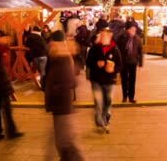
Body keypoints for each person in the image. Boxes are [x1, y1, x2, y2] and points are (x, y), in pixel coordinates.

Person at [45, 30, 85, 161]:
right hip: (59, 106)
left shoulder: (63, 58)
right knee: (63, 143)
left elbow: (71, 82)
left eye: (52, 43)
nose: (50, 46)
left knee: (65, 144)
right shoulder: (57, 57)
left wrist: (52, 88)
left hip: (62, 106)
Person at [86, 27, 121, 133]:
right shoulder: (94, 48)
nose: (103, 37)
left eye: (105, 35)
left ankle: (106, 118)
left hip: (110, 80)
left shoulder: (115, 49)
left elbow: (120, 66)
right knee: (98, 102)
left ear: (110, 36)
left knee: (108, 100)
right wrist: (96, 64)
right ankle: (101, 122)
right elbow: (87, 62)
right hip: (96, 79)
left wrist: (113, 69)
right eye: (102, 35)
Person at [118, 21, 143, 103]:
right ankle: (125, 96)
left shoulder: (137, 39)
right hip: (124, 62)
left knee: (132, 80)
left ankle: (131, 97)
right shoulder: (122, 37)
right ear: (127, 30)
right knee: (124, 80)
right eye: (132, 29)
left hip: (133, 62)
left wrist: (140, 63)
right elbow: (118, 50)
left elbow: (140, 51)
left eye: (134, 30)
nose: (133, 31)